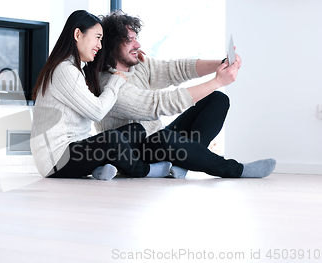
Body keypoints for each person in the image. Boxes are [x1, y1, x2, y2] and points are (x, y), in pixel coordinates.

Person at [94, 11, 276, 179]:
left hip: (157, 139)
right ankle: (235, 169)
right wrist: (217, 81)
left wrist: (222, 64)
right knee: (163, 139)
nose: (138, 44)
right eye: (130, 40)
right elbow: (158, 104)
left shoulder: (137, 66)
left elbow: (175, 69)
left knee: (217, 99)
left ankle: (182, 164)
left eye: (136, 38)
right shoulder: (108, 85)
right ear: (111, 45)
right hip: (135, 152)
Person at [30, 10, 172, 181]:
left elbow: (100, 67)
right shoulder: (64, 70)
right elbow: (97, 112)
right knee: (112, 139)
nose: (99, 45)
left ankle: (99, 169)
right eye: (97, 37)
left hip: (73, 150)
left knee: (136, 130)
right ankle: (145, 170)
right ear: (77, 34)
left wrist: (132, 60)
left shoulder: (74, 69)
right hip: (57, 159)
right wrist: (115, 81)